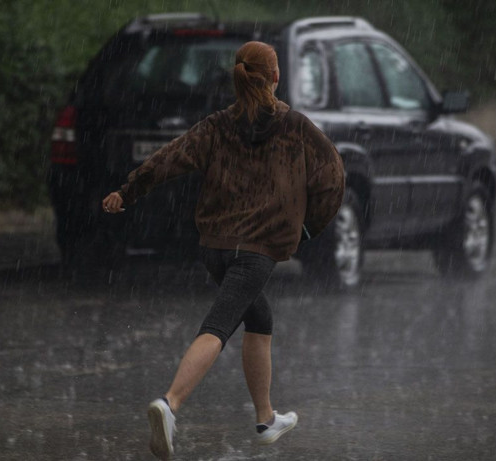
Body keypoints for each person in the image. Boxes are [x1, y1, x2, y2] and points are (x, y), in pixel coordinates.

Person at [102, 41, 345, 460]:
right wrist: (306, 229)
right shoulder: (295, 127)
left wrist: (129, 190)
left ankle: (266, 419)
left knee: (259, 318)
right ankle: (170, 404)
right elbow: (333, 179)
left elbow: (170, 157)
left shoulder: (217, 125)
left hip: (214, 246)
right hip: (255, 250)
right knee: (218, 327)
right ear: (275, 77)